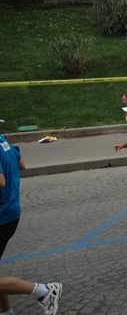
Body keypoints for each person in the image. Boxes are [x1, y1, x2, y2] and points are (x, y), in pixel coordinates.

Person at [0, 134, 63, 315]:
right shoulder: (3, 140)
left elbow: (0, 181)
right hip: (10, 211)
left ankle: (44, 291)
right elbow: (22, 165)